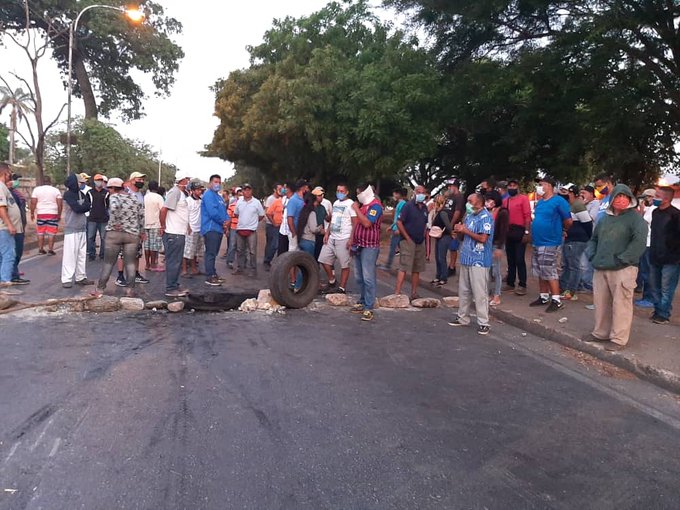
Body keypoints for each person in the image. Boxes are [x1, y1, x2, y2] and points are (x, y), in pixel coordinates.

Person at [584, 184, 647, 351]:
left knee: (621, 305)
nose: (621, 200)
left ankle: (618, 339)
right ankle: (600, 333)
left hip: (623, 269)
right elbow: (594, 239)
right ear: (612, 199)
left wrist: (623, 259)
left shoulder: (635, 219)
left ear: (630, 199)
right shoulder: (604, 218)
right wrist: (592, 255)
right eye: (618, 197)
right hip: (601, 267)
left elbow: (639, 243)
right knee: (601, 303)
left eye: (625, 197)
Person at [448, 192, 495, 335]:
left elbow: (483, 239)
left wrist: (465, 230)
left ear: (479, 202)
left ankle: (483, 322)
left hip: (479, 260)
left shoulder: (486, 217)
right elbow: (464, 235)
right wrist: (458, 231)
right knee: (464, 290)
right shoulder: (469, 216)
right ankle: (462, 317)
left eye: (470, 201)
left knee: (480, 292)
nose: (467, 203)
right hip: (466, 258)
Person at [94, 178, 145, 297]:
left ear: (113, 188)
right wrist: (142, 232)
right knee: (130, 263)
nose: (109, 191)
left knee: (108, 263)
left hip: (114, 233)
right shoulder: (134, 198)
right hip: (132, 234)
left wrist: (116, 221)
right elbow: (141, 216)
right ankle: (130, 290)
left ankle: (100, 290)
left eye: (109, 189)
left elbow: (114, 208)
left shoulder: (114, 197)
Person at [529, 175, 573, 312]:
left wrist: (563, 230)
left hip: (550, 241)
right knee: (541, 270)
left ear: (549, 186)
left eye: (542, 184)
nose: (539, 187)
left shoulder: (558, 201)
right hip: (538, 241)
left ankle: (556, 299)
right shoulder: (541, 202)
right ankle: (543, 296)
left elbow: (568, 220)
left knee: (549, 269)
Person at [350, 184, 383, 322]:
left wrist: (356, 209)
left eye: (359, 193)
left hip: (370, 246)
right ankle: (363, 301)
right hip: (359, 245)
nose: (357, 196)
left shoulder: (375, 206)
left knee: (368, 277)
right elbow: (356, 224)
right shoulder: (364, 206)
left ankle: (369, 307)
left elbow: (367, 223)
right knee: (359, 277)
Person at [648, 187, 680, 324]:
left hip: (671, 259)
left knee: (667, 288)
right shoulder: (655, 212)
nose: (654, 197)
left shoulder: (675, 215)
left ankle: (663, 314)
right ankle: (657, 310)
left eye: (657, 195)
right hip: (655, 255)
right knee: (654, 286)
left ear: (666, 198)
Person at [319, 183, 357, 293]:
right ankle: (332, 281)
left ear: (346, 192)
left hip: (344, 237)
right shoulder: (335, 203)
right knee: (323, 259)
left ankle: (342, 288)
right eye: (338, 190)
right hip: (332, 237)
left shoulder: (350, 204)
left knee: (344, 264)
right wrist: (327, 233)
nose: (339, 193)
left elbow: (355, 223)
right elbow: (332, 219)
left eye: (341, 191)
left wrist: (351, 239)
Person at [558, 184, 592, 301]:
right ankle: (562, 288)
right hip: (570, 239)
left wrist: (587, 237)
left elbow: (587, 223)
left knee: (573, 265)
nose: (562, 194)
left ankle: (571, 291)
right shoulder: (569, 205)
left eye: (565, 192)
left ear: (571, 193)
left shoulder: (578, 205)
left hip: (577, 240)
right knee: (567, 264)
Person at [394, 185, 429, 300]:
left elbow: (425, 223)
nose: (421, 194)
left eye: (423, 192)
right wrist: (407, 237)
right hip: (408, 240)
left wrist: (423, 234)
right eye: (418, 192)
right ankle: (397, 293)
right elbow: (399, 222)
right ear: (414, 193)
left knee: (417, 268)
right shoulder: (408, 206)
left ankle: (414, 293)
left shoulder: (424, 208)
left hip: (420, 241)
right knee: (404, 266)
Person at [160, 172, 191, 297]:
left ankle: (174, 285)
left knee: (176, 261)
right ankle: (171, 288)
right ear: (183, 180)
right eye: (187, 179)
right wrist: (163, 226)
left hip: (178, 232)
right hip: (174, 233)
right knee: (174, 261)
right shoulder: (175, 192)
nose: (189, 182)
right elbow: (164, 209)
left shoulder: (180, 193)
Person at [115, 172, 149, 287]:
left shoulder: (140, 194)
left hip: (137, 229)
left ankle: (135, 274)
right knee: (122, 253)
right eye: (139, 179)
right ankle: (120, 276)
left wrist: (142, 231)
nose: (141, 182)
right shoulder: (124, 193)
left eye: (143, 180)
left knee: (137, 253)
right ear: (132, 180)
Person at [61, 173, 93, 288]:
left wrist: (85, 206)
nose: (81, 184)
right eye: (79, 182)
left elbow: (86, 205)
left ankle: (81, 277)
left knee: (81, 255)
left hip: (81, 228)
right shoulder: (68, 195)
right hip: (72, 228)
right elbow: (78, 208)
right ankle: (66, 279)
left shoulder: (81, 194)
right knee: (70, 255)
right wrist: (85, 206)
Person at [502, 178, 532, 295]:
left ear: (517, 187)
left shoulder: (523, 199)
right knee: (510, 259)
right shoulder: (506, 201)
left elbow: (527, 216)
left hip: (520, 230)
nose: (512, 188)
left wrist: (527, 232)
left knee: (519, 259)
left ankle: (522, 284)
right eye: (510, 186)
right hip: (509, 231)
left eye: (514, 186)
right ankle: (510, 282)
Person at [201, 174, 230, 286]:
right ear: (210, 183)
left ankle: (213, 274)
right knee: (210, 253)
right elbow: (213, 213)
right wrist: (224, 222)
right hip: (210, 228)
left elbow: (224, 211)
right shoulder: (208, 195)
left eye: (219, 182)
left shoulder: (218, 197)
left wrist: (227, 221)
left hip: (218, 229)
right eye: (215, 182)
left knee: (214, 253)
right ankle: (209, 276)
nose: (217, 184)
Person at [233, 183, 264, 276]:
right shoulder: (239, 201)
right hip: (240, 229)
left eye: (249, 189)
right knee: (239, 250)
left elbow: (261, 215)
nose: (247, 191)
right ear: (242, 191)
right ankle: (240, 268)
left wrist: (253, 222)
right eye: (245, 190)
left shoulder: (256, 202)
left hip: (251, 230)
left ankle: (253, 270)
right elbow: (236, 214)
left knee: (252, 251)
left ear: (251, 191)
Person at [634, 188, 657, 308]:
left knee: (648, 272)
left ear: (653, 197)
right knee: (643, 271)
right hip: (643, 243)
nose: (645, 199)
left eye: (647, 197)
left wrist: (642, 212)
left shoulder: (654, 210)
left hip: (649, 244)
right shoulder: (646, 210)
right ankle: (646, 296)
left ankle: (650, 298)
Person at [0, 163, 21, 291]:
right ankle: (5, 283)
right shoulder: (0, 187)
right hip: (4, 228)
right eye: (9, 172)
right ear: (5, 173)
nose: (10, 175)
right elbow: (1, 208)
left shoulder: (4, 187)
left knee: (3, 255)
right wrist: (9, 225)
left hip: (5, 228)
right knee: (9, 255)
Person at [486, 191, 508, 306]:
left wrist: (499, 247)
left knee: (496, 270)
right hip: (488, 243)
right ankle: (489, 293)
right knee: (488, 270)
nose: (487, 202)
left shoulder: (502, 212)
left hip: (496, 243)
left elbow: (503, 231)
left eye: (490, 200)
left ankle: (497, 295)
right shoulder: (489, 212)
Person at [30, 175, 62, 255]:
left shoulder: (36, 190)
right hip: (53, 213)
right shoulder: (56, 190)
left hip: (41, 213)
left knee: (40, 232)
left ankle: (41, 249)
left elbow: (33, 202)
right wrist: (59, 214)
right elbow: (60, 204)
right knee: (51, 232)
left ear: (42, 182)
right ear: (50, 182)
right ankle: (50, 250)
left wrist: (32, 213)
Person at [578, 185, 601, 292]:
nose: (582, 195)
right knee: (579, 261)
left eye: (584, 193)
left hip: (590, 236)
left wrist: (581, 207)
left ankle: (587, 284)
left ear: (591, 194)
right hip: (580, 236)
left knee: (585, 262)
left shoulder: (595, 203)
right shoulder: (582, 204)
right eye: (581, 193)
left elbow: (591, 217)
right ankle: (581, 282)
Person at [379, 188, 407, 271]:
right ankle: (400, 266)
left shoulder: (402, 203)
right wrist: (391, 226)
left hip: (398, 229)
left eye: (394, 194)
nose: (393, 196)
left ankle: (389, 265)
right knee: (398, 248)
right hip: (396, 227)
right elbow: (396, 218)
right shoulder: (400, 203)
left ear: (398, 194)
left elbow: (402, 218)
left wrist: (398, 228)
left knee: (394, 248)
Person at [8, 173, 29, 285]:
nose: (15, 182)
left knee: (17, 252)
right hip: (11, 228)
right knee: (11, 253)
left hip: (19, 226)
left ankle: (14, 273)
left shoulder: (15, 193)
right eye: (13, 179)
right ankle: (10, 276)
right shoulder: (6, 193)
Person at [182, 181, 205, 277]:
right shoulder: (187, 201)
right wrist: (188, 226)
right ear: (192, 190)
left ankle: (194, 268)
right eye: (197, 189)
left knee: (195, 250)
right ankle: (184, 270)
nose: (199, 191)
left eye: (200, 189)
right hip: (191, 228)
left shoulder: (201, 201)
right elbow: (184, 215)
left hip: (200, 228)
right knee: (187, 250)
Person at [431, 194, 454, 287]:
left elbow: (448, 225)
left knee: (441, 257)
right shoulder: (438, 211)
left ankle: (443, 277)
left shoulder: (443, 212)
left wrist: (451, 233)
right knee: (437, 257)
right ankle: (438, 275)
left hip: (444, 236)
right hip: (439, 236)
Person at [86, 174, 110, 261]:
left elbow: (108, 205)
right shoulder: (89, 193)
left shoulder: (106, 193)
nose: (99, 181)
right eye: (97, 180)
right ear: (94, 181)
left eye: (100, 180)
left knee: (104, 238)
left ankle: (102, 255)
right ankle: (92, 254)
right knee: (90, 237)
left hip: (103, 219)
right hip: (92, 218)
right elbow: (87, 205)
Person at [445, 180, 466, 277]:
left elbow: (457, 212)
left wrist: (451, 224)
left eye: (450, 186)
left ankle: (452, 266)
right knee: (450, 247)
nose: (449, 188)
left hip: (455, 224)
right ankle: (451, 265)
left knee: (454, 246)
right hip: (448, 223)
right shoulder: (450, 197)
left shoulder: (459, 197)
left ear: (455, 186)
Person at [144, 181, 165, 272]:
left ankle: (147, 264)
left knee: (146, 245)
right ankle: (153, 264)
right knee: (154, 246)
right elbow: (162, 210)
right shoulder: (159, 197)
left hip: (145, 224)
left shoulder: (145, 196)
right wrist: (163, 225)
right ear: (157, 188)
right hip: (155, 224)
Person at [297, 192, 324, 257]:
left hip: (301, 239)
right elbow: (313, 229)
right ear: (313, 202)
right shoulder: (312, 213)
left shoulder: (302, 211)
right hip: (309, 241)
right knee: (308, 263)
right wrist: (320, 227)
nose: (316, 204)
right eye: (315, 202)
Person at [263, 183, 283, 270]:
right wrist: (273, 222)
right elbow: (267, 212)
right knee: (273, 244)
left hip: (278, 225)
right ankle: (267, 260)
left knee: (272, 244)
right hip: (271, 224)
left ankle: (267, 260)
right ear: (274, 189)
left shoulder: (281, 199)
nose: (281, 190)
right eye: (279, 188)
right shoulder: (271, 199)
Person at [286, 180, 308, 252]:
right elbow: (290, 218)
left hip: (301, 232)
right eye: (306, 188)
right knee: (293, 252)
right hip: (295, 231)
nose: (307, 190)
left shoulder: (303, 200)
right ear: (303, 188)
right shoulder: (293, 200)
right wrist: (293, 232)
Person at [311, 187, 332, 260]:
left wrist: (331, 216)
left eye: (321, 195)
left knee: (318, 256)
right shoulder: (310, 208)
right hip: (312, 235)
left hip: (321, 235)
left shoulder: (322, 207)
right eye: (319, 195)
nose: (321, 197)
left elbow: (326, 218)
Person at [272, 183, 292, 256]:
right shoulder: (283, 199)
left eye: (285, 188)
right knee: (281, 251)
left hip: (291, 231)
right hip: (282, 229)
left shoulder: (294, 200)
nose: (283, 189)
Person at [226, 186, 243, 268]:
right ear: (236, 195)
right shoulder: (232, 205)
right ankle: (230, 261)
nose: (240, 195)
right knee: (232, 245)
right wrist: (227, 229)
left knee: (242, 246)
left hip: (243, 228)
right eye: (239, 193)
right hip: (233, 227)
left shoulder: (247, 205)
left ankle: (242, 263)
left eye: (241, 193)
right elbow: (228, 217)